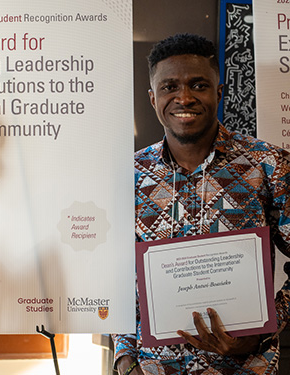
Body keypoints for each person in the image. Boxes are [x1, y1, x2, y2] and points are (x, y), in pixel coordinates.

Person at [112, 33, 290, 375]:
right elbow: (108, 278)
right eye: (169, 88)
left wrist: (264, 329)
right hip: (152, 368)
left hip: (244, 366)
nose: (184, 98)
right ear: (153, 98)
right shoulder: (128, 176)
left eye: (198, 85)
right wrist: (124, 358)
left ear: (219, 93)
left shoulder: (269, 166)